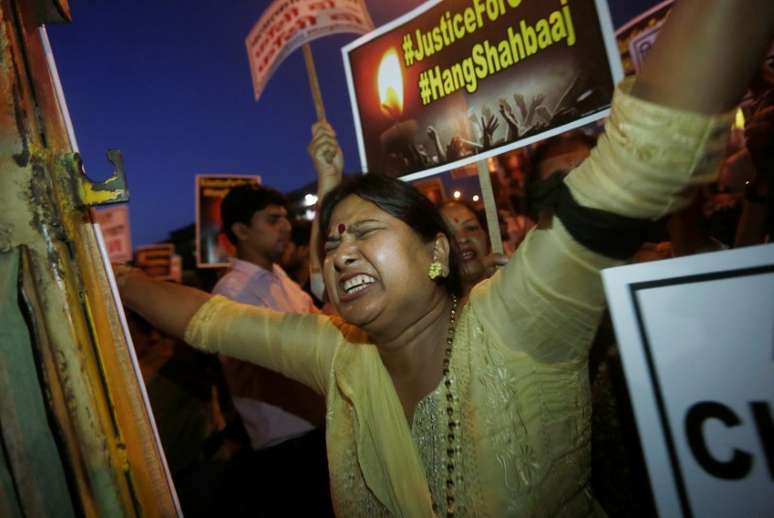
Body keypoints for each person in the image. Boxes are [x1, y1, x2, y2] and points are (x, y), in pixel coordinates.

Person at [114, 2, 774, 515]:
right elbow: (207, 319)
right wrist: (107, 276)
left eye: (365, 231)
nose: (341, 251)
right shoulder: (337, 354)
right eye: (334, 238)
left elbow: (641, 158)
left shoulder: (517, 320)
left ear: (435, 255)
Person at [212, 183, 333, 516]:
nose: (286, 227)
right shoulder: (232, 294)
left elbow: (318, 323)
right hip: (286, 452)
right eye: (273, 219)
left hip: (315, 435)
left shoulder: (278, 275)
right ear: (241, 230)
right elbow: (298, 352)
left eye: (285, 218)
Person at [438, 200, 507, 295]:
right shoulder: (436, 307)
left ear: (487, 237)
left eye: (471, 228)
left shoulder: (514, 282)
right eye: (449, 233)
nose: (462, 239)